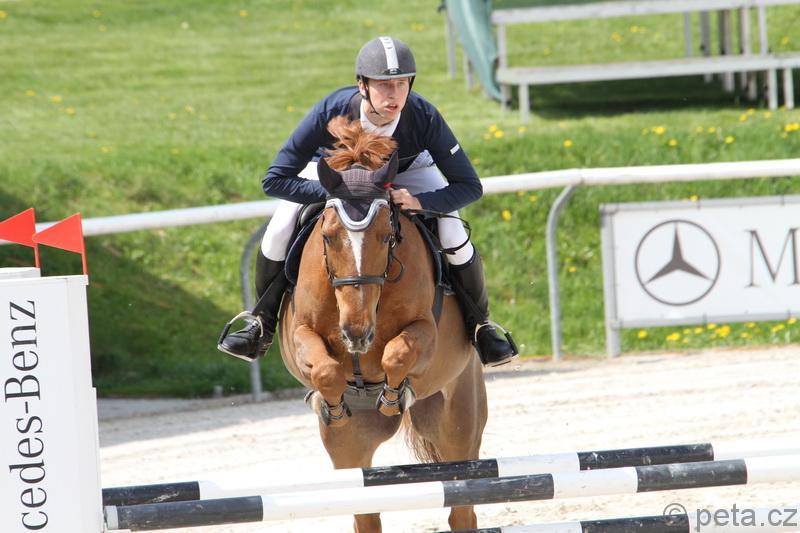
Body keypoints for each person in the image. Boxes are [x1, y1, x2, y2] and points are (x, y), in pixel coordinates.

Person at [218, 36, 517, 367]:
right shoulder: (331, 110)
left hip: (409, 173)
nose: (394, 95)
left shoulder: (423, 116)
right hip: (337, 173)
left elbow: (470, 186)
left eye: (402, 84)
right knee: (279, 229)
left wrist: (420, 201)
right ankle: (261, 323)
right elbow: (274, 179)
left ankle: (480, 326)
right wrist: (335, 193)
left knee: (453, 234)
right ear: (362, 85)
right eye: (384, 85)